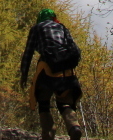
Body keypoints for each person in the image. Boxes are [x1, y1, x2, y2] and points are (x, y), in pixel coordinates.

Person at [19, 8, 83, 140]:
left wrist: (24, 74)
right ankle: (74, 127)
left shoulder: (36, 28)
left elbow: (28, 53)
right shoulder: (62, 27)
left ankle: (48, 133)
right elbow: (74, 48)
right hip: (66, 71)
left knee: (43, 103)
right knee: (65, 103)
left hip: (46, 70)